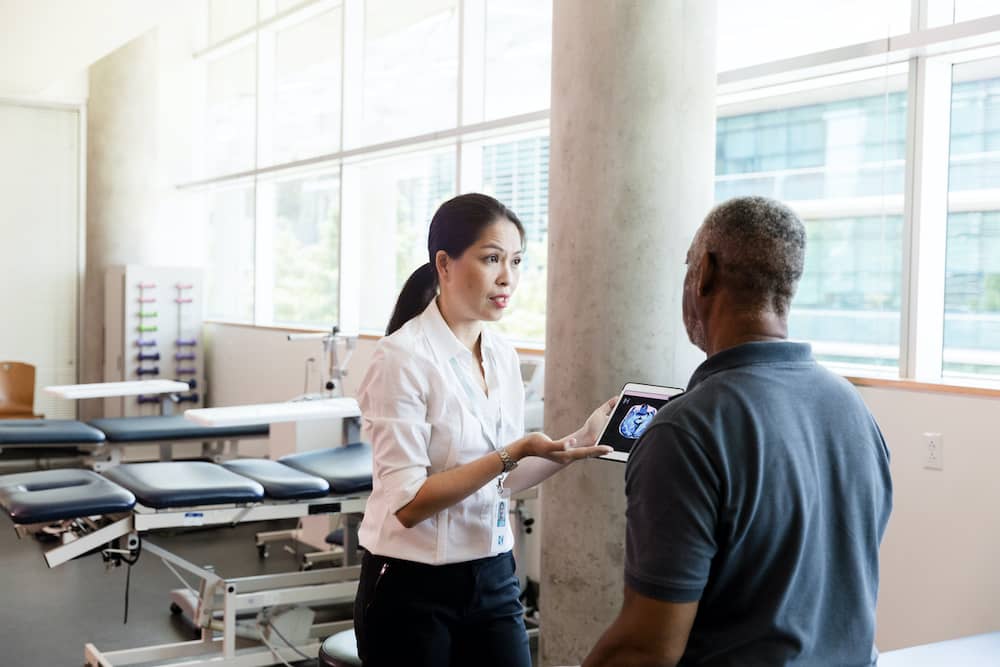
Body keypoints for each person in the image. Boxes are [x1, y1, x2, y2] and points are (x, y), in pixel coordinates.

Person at [583, 196, 893, 666]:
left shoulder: (685, 432)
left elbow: (646, 648)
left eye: (687, 265)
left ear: (704, 273)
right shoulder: (850, 406)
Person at [353, 192, 615, 667]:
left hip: (493, 576)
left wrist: (577, 441)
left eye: (516, 261)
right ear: (444, 264)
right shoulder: (402, 358)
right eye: (492, 258)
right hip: (412, 588)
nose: (507, 277)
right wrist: (514, 452)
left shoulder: (502, 356)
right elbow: (408, 505)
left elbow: (503, 480)